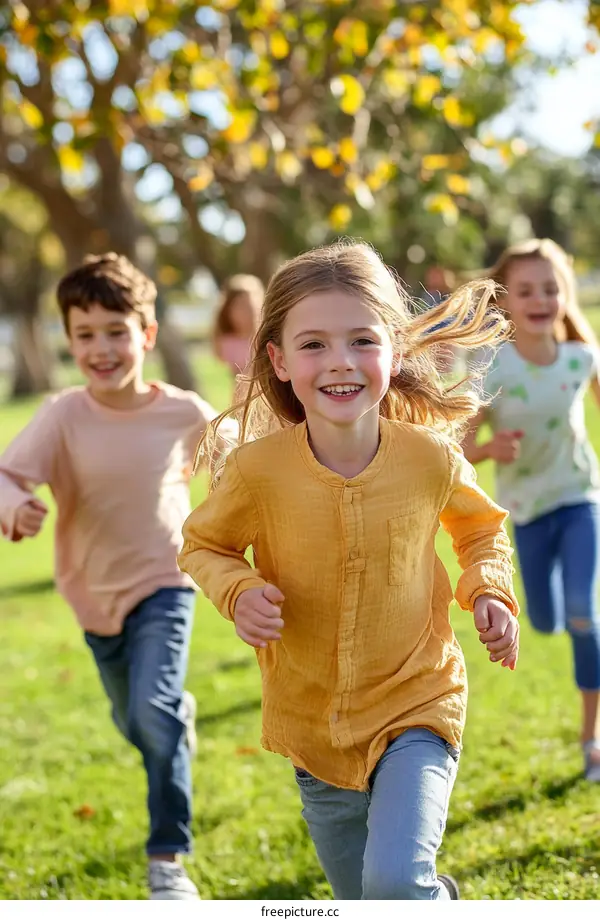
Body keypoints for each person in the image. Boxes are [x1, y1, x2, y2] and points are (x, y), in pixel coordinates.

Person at [178, 241, 520, 900]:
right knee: (360, 899)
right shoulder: (258, 471)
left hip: (418, 699)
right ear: (277, 359)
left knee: (391, 885)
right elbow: (204, 546)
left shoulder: (428, 459)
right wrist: (239, 589)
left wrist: (490, 593)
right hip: (314, 724)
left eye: (361, 340)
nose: (339, 363)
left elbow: (481, 530)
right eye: (312, 345)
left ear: (393, 349)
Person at [0, 253, 235, 899]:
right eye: (85, 335)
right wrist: (13, 504)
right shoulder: (62, 414)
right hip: (89, 591)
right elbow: (8, 474)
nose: (101, 348)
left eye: (116, 331)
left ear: (147, 335)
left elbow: (237, 465)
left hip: (166, 579)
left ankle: (168, 859)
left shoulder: (183, 412)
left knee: (150, 714)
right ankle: (171, 719)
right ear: (68, 339)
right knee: (138, 721)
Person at [462, 238, 600, 783]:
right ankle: (565, 618)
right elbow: (461, 446)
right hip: (526, 509)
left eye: (551, 288)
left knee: (582, 613)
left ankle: (591, 738)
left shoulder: (581, 358)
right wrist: (490, 450)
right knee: (543, 619)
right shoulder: (493, 368)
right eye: (526, 290)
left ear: (565, 295)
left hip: (580, 497)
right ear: (506, 302)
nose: (540, 298)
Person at [212, 274, 264, 378]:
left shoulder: (266, 339)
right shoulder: (227, 343)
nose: (245, 312)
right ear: (228, 311)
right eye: (239, 307)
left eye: (249, 306)